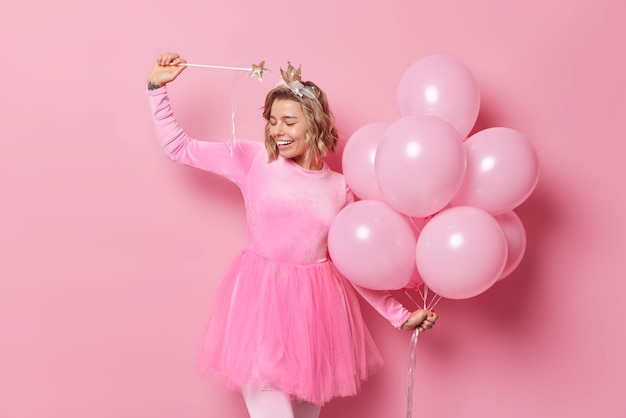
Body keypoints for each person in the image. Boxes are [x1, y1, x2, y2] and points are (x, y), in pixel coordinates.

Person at [147, 52, 437, 418]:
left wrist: (398, 315)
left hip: (314, 316)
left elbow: (352, 263)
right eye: (272, 121)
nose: (276, 131)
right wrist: (157, 88)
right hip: (259, 306)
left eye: (288, 122)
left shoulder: (340, 188)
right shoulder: (254, 160)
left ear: (314, 124)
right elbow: (179, 147)